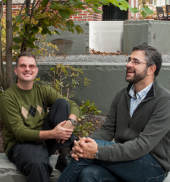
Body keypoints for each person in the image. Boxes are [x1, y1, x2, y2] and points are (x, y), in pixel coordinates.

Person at [58, 43, 170, 182]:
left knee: (84, 155)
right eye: (129, 60)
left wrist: (96, 150)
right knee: (88, 174)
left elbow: (142, 145)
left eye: (135, 61)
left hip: (151, 167)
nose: (129, 64)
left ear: (151, 69)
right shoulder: (122, 95)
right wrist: (84, 143)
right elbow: (107, 131)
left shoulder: (164, 100)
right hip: (122, 159)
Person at [0, 52, 80, 182]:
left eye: (31, 66)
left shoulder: (42, 90)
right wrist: (53, 134)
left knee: (62, 103)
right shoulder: (8, 97)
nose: (27, 69)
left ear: (36, 70)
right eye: (23, 66)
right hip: (20, 145)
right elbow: (19, 132)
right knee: (38, 164)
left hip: (44, 141)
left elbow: (72, 104)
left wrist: (71, 121)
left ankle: (65, 154)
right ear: (16, 70)